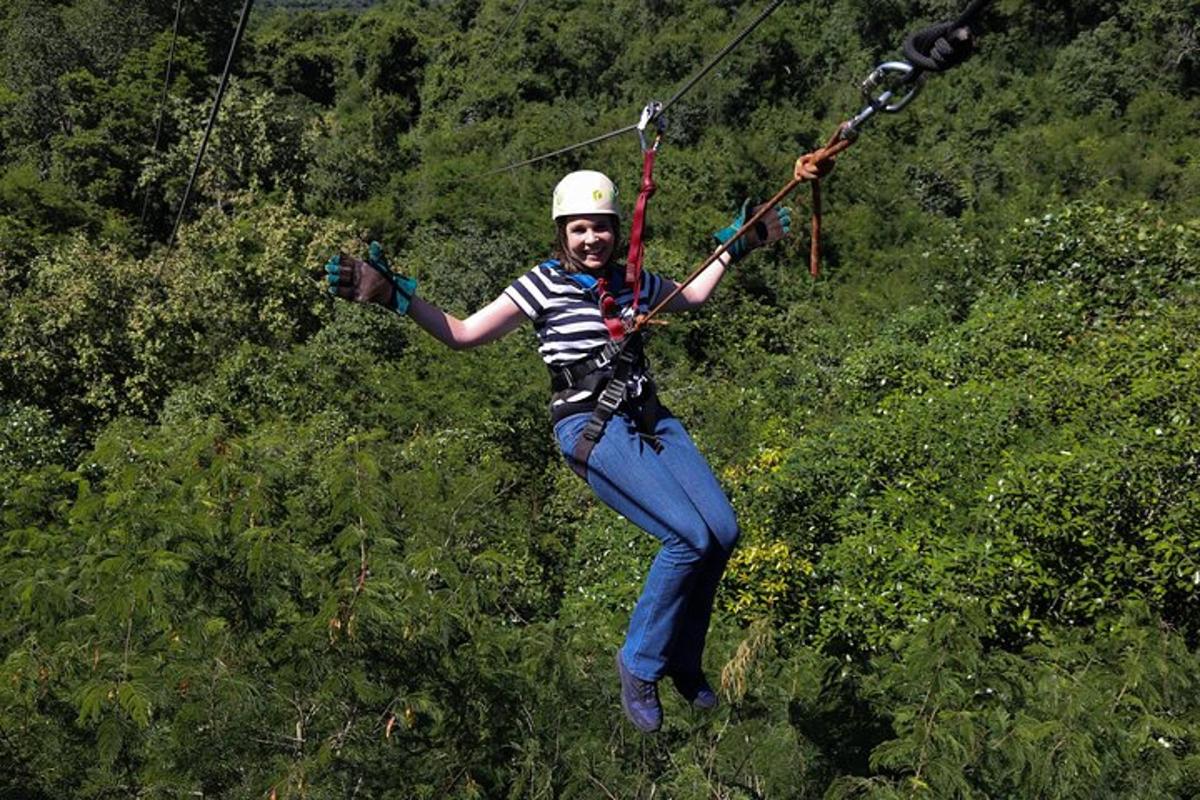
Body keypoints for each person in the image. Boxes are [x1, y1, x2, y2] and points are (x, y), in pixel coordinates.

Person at [324, 165, 823, 732]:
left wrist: (737, 246)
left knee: (722, 532)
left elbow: (694, 294)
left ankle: (684, 658)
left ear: (616, 230)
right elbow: (463, 334)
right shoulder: (541, 284)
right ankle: (640, 662)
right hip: (592, 424)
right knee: (687, 536)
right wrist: (394, 296)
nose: (592, 240)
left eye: (602, 229)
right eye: (580, 229)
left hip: (649, 417)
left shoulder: (632, 282)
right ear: (562, 233)